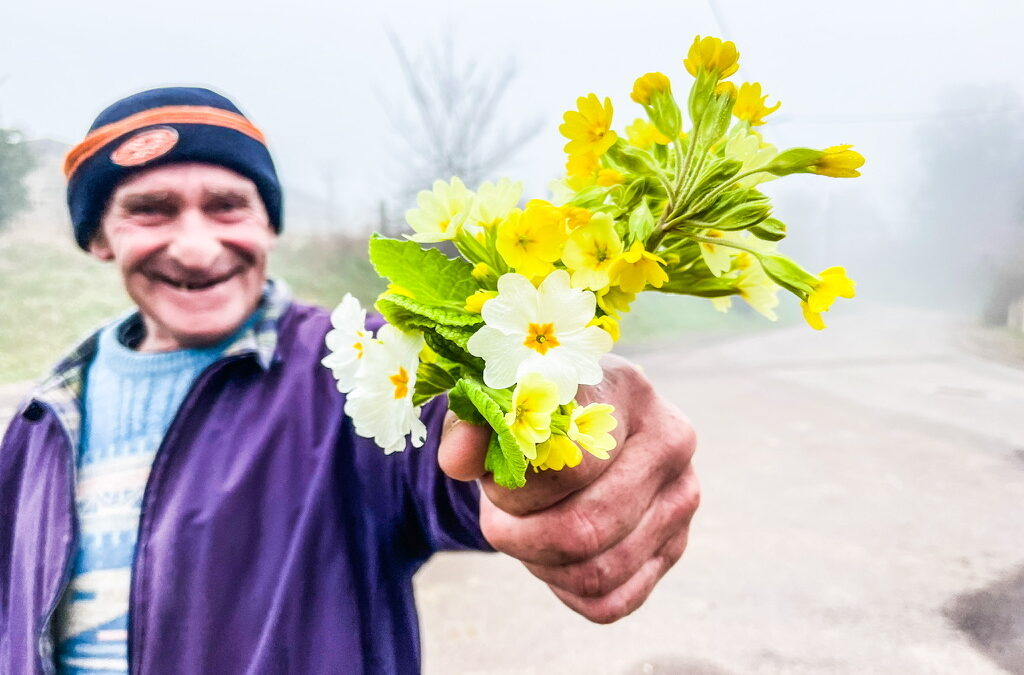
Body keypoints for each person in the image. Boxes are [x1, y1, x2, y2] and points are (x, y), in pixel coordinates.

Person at [0, 87, 700, 674]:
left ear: (267, 223)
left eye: (226, 205)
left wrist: (562, 417)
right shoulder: (39, 419)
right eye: (150, 210)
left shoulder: (357, 360)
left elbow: (456, 460)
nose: (194, 243)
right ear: (98, 238)